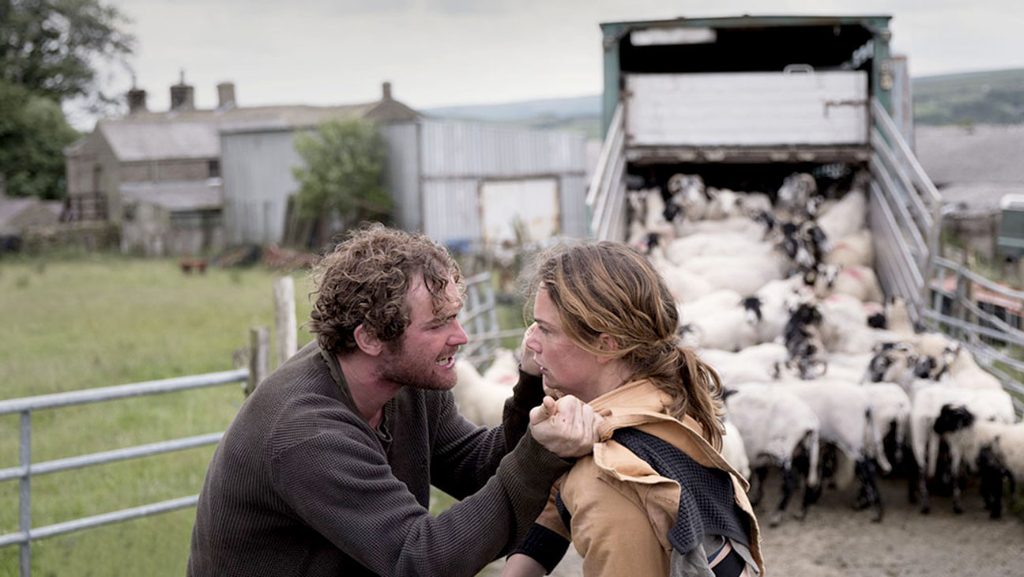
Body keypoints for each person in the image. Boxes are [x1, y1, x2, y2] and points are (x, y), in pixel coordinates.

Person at [187, 224, 601, 577]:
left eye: (455, 316)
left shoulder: (405, 383)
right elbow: (419, 560)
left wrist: (531, 388)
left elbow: (477, 467)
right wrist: (539, 454)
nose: (461, 337)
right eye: (438, 324)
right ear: (370, 337)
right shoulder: (307, 434)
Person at [502, 241, 764, 577]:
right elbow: (557, 501)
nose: (530, 342)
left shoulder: (608, 478)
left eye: (546, 329)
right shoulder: (669, 405)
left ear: (605, 345)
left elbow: (599, 492)